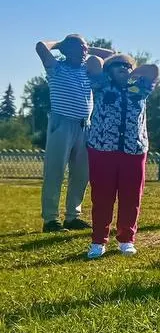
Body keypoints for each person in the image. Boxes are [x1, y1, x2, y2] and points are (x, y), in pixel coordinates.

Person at [83, 54, 160, 258]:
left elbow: (153, 69)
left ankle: (126, 239)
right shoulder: (101, 85)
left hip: (133, 149)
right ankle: (98, 241)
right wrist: (111, 61)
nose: (123, 68)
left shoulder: (140, 87)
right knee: (102, 197)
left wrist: (130, 70)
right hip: (102, 148)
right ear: (108, 69)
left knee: (131, 197)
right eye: (118, 66)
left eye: (127, 66)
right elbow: (92, 61)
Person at [35, 35, 112, 232]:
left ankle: (72, 216)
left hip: (84, 126)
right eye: (80, 48)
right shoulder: (56, 68)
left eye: (85, 48)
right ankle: (51, 219)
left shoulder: (88, 70)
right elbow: (41, 46)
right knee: (55, 172)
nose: (84, 51)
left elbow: (111, 55)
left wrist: (86, 49)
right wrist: (61, 45)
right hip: (61, 124)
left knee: (81, 174)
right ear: (67, 50)